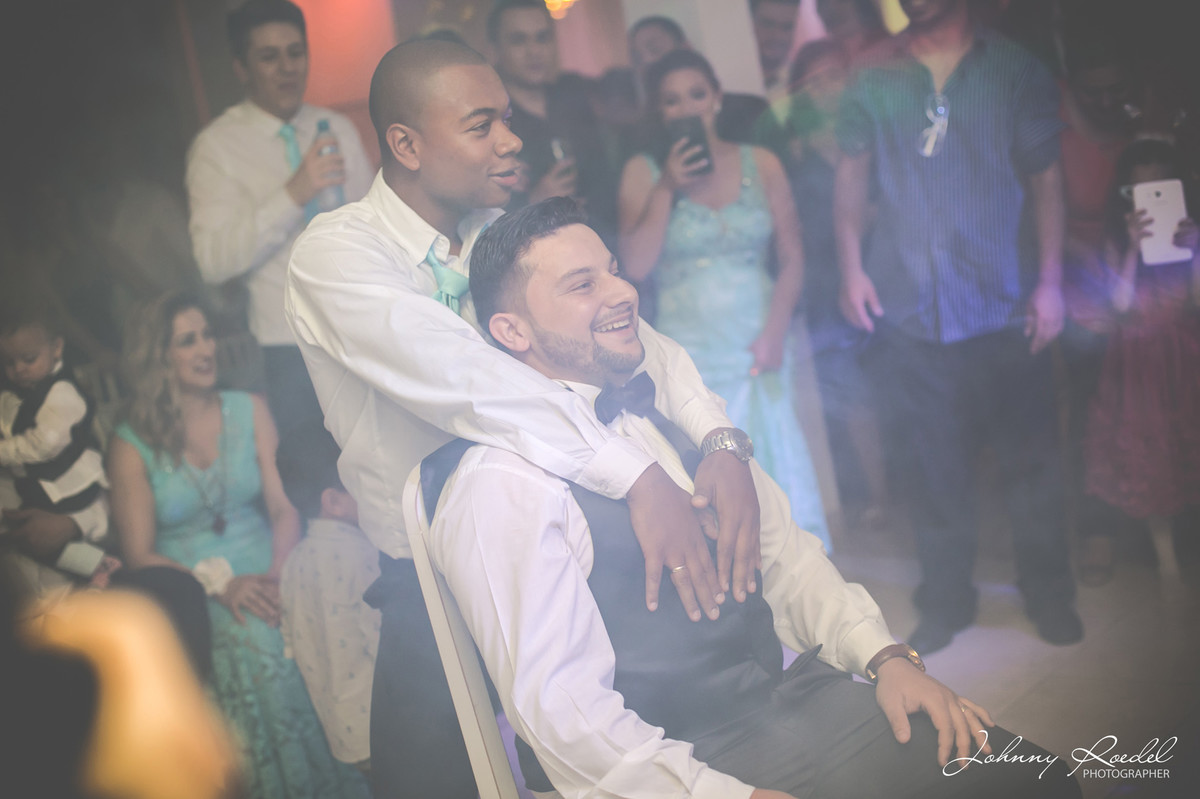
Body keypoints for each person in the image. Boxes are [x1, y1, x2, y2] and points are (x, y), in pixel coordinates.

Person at [419, 196, 1081, 799]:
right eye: (582, 284)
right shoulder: (501, 486)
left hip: (783, 707)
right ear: (513, 332)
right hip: (658, 771)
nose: (623, 292)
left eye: (614, 271)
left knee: (1038, 783)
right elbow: (565, 718)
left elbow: (787, 559)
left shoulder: (682, 415)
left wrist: (885, 658)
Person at [286, 38, 763, 799]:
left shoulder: (500, 234)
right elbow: (465, 379)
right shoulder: (336, 254)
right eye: (483, 125)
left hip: (563, 536)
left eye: (507, 119)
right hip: (430, 584)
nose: (511, 141)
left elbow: (637, 338)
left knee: (625, 747)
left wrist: (719, 438)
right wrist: (639, 476)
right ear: (406, 145)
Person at [834, 0, 1081, 654]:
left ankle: (1049, 592)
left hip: (1004, 302)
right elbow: (850, 174)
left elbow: (1047, 179)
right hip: (910, 307)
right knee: (932, 469)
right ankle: (946, 599)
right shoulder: (872, 74)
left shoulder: (1014, 68)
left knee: (1031, 464)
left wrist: (1051, 282)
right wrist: (852, 268)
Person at [106, 291, 368, 798]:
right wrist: (220, 587)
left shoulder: (249, 409)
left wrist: (278, 574)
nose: (207, 349)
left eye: (208, 335)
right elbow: (139, 554)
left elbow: (283, 507)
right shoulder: (129, 442)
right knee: (248, 635)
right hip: (190, 587)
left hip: (271, 560)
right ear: (157, 356)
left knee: (292, 613)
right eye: (188, 341)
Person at [618, 48, 830, 550]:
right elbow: (636, 267)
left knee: (776, 446)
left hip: (759, 332)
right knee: (709, 458)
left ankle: (800, 567)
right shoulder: (642, 172)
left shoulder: (762, 162)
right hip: (690, 348)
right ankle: (735, 572)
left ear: (716, 98)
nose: (687, 107)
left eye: (697, 94)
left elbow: (793, 256)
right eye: (672, 100)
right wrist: (667, 187)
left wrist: (775, 332)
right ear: (660, 111)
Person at [186, 0, 372, 440]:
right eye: (269, 57)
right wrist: (293, 193)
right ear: (241, 68)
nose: (287, 68)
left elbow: (373, 227)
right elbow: (213, 261)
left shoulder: (337, 128)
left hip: (360, 330)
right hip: (286, 349)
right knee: (317, 471)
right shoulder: (216, 148)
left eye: (295, 52)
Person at [1083, 138, 1200, 584]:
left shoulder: (1191, 236)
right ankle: (1167, 561)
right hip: (1137, 360)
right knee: (1150, 455)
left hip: (1184, 355)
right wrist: (1133, 248)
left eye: (1160, 188)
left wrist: (1194, 251)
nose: (1149, 201)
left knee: (1186, 446)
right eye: (1138, 191)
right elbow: (1120, 305)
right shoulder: (1116, 240)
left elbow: (1196, 300)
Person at [277, 427, 381, 771]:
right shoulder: (363, 557)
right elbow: (383, 642)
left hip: (345, 733)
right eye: (361, 482)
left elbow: (293, 643)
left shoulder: (294, 562)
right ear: (333, 502)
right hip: (388, 724)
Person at [486, 0, 617, 246]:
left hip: (599, 239)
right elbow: (485, 222)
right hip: (533, 252)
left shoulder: (573, 100)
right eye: (519, 40)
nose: (534, 51)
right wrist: (536, 203)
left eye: (542, 38)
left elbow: (606, 178)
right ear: (495, 48)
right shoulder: (491, 122)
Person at [1, 305, 110, 579]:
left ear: (57, 348)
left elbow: (42, 446)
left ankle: (99, 566)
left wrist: (4, 451)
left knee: (36, 536)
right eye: (10, 363)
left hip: (68, 482)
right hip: (43, 483)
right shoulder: (21, 392)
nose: (19, 369)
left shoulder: (62, 393)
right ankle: (93, 567)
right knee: (24, 535)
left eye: (29, 359)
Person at [627, 15, 769, 145]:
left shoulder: (751, 111)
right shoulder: (640, 134)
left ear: (686, 47)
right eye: (637, 58)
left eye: (654, 49)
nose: (647, 61)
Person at [750, 0, 801, 106]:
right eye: (767, 24)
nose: (777, 36)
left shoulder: (803, 81)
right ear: (749, 23)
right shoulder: (723, 76)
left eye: (787, 27)